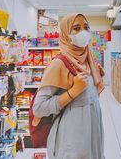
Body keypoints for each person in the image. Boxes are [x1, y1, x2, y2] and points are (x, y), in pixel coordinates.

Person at [32, 13, 105, 159]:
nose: (83, 32)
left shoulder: (87, 59)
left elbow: (89, 98)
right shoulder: (58, 64)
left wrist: (95, 81)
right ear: (66, 34)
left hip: (93, 131)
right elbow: (38, 108)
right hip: (72, 135)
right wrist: (73, 91)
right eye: (76, 28)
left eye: (86, 27)